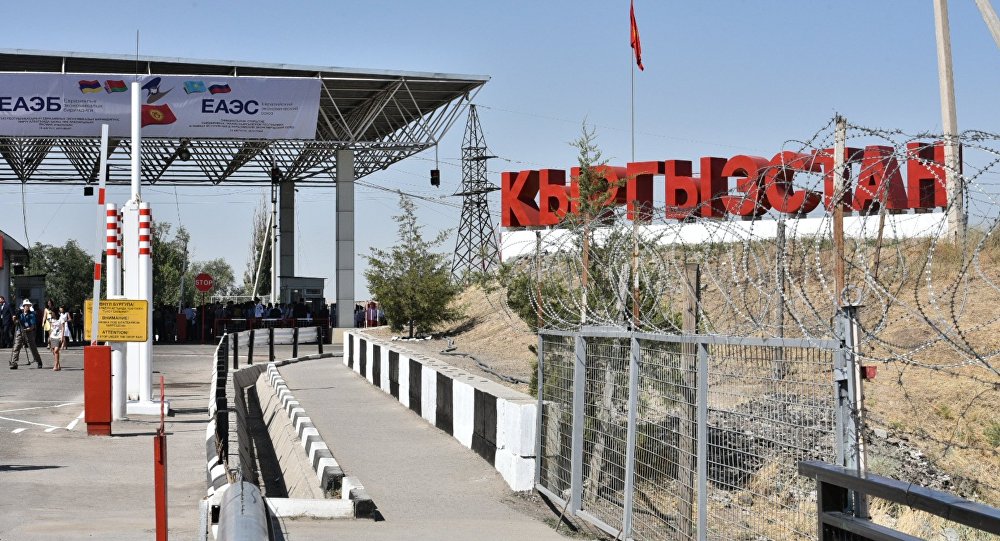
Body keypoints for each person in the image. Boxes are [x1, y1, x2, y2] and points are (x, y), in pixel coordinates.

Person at [10, 299, 43, 369]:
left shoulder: (31, 315)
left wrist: (26, 330)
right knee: (16, 347)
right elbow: (16, 323)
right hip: (19, 332)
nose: (28, 307)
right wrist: (14, 318)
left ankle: (39, 361)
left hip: (28, 333)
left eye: (29, 305)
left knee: (33, 348)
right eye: (26, 305)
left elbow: (32, 326)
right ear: (24, 306)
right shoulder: (20, 314)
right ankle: (14, 363)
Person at [47, 306, 67, 371]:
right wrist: (49, 337)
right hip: (52, 336)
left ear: (55, 312)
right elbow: (50, 328)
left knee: (56, 350)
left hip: (59, 336)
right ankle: (58, 365)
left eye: (51, 313)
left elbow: (63, 328)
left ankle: (55, 366)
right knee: (54, 352)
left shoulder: (61, 318)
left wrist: (62, 337)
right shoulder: (51, 319)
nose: (51, 314)